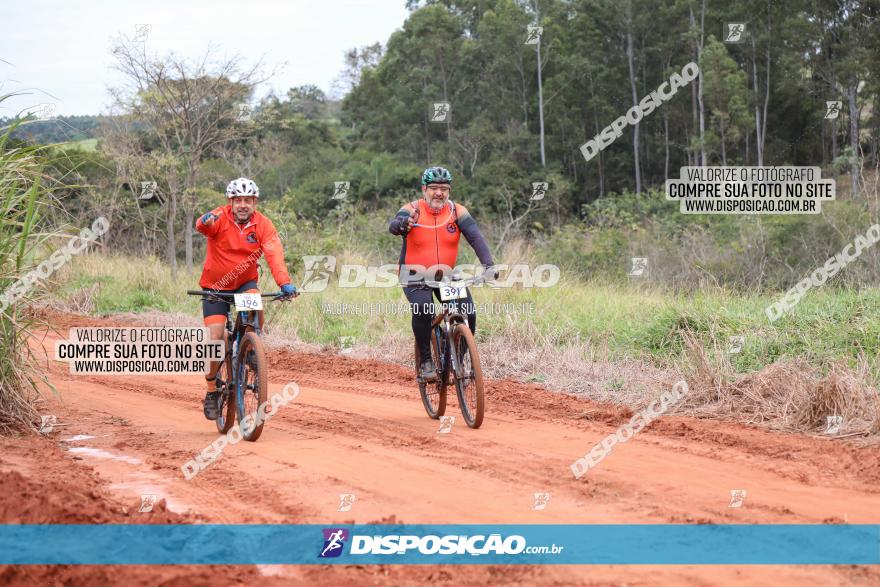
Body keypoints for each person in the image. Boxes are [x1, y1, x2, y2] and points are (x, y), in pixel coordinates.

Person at [195, 177, 298, 419]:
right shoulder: (219, 217)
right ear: (230, 201)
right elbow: (203, 226)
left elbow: (274, 255)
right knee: (216, 337)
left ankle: (252, 346)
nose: (243, 205)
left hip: (244, 284)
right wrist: (204, 221)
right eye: (238, 200)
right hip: (215, 287)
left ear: (255, 202)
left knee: (254, 299)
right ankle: (212, 389)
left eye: (248, 201)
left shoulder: (263, 225)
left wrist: (284, 283)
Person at [388, 166, 495, 382]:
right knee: (423, 308)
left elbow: (475, 237)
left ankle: (458, 360)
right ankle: (426, 362)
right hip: (413, 275)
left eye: (444, 188)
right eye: (434, 188)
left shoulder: (457, 211)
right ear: (424, 189)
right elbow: (394, 225)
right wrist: (402, 224)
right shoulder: (412, 209)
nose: (439, 193)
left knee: (468, 313)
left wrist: (489, 265)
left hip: (445, 275)